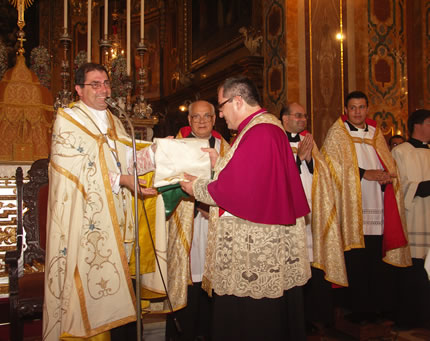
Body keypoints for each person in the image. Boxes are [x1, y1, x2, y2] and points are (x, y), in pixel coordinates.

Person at [180, 76, 311, 341]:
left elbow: (236, 191)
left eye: (221, 106)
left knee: (252, 321)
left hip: (256, 247)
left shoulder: (260, 131)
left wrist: (197, 188)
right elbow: (251, 179)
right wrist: (221, 164)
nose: (220, 113)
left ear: (237, 101)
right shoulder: (261, 128)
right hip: (262, 236)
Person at [43, 63, 156, 341]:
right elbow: (75, 170)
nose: (103, 89)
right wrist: (123, 181)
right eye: (95, 84)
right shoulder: (68, 119)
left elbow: (126, 157)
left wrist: (155, 156)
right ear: (79, 89)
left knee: (121, 285)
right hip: (85, 221)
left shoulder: (116, 120)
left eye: (106, 83)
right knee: (91, 288)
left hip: (118, 216)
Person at [322, 91, 411, 324]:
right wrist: (364, 174)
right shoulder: (337, 133)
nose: (358, 112)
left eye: (362, 107)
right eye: (353, 108)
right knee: (357, 261)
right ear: (346, 109)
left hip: (377, 203)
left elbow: (388, 163)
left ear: (367, 109)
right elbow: (330, 169)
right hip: (352, 209)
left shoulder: (376, 133)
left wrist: (386, 177)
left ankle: (376, 307)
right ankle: (354, 309)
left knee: (374, 258)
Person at [165, 100, 229, 341]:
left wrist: (211, 206)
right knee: (187, 280)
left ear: (214, 119)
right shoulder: (176, 146)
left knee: (211, 282)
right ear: (189, 120)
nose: (202, 121)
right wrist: (197, 205)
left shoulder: (227, 148)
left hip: (214, 221)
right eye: (196, 117)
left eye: (207, 116)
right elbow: (167, 182)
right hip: (186, 219)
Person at [280, 103, 347, 332]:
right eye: (298, 115)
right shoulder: (276, 139)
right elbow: (275, 173)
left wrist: (308, 160)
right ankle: (291, 318)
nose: (303, 119)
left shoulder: (309, 139)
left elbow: (323, 172)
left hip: (310, 212)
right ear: (285, 118)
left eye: (305, 116)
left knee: (311, 265)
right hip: (287, 214)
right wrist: (298, 160)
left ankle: (312, 316)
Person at [391, 109, 430, 328]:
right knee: (413, 272)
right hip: (413, 218)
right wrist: (422, 187)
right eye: (429, 123)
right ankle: (408, 317)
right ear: (418, 125)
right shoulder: (401, 152)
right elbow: (398, 186)